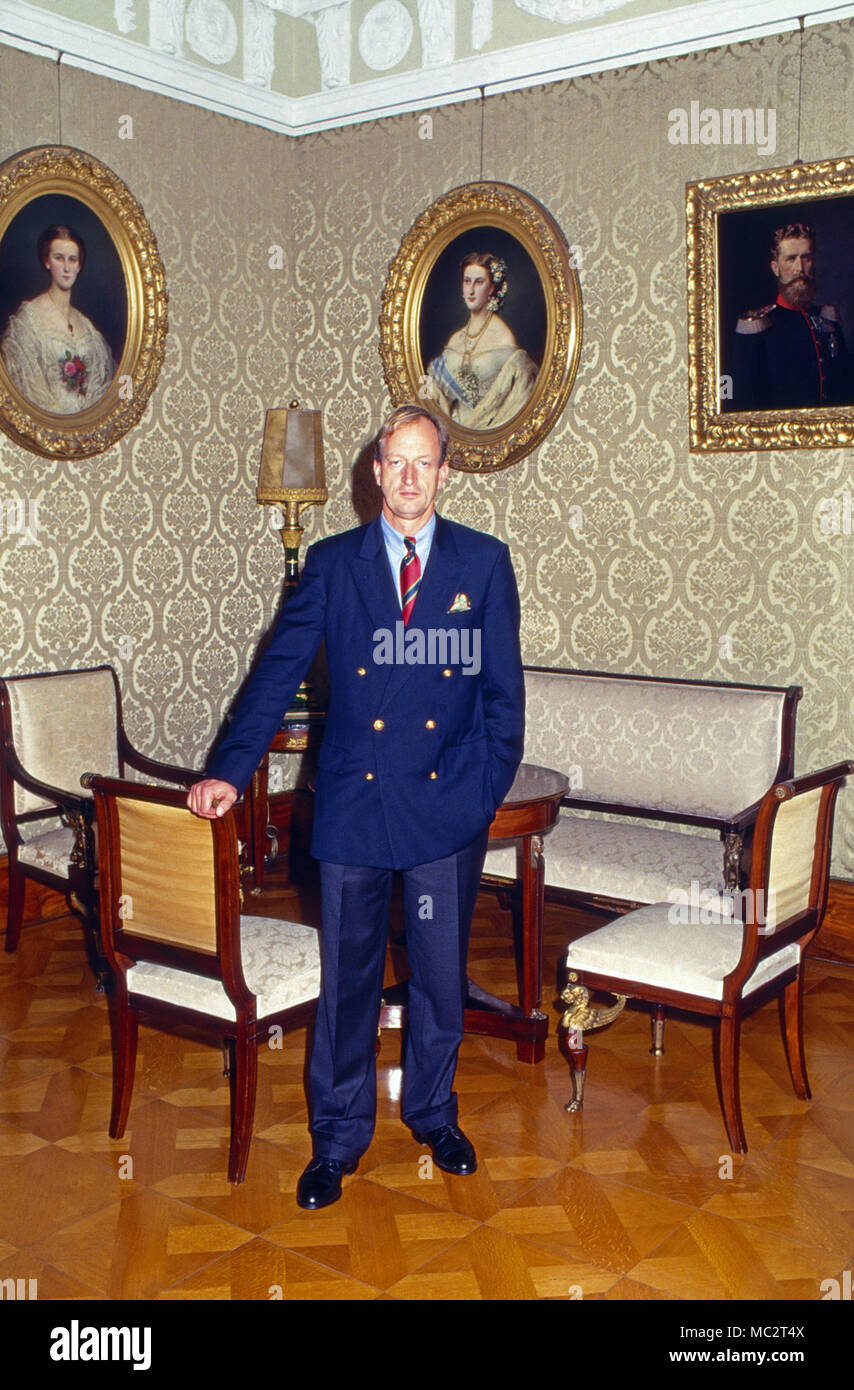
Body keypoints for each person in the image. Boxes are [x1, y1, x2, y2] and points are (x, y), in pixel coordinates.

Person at [189, 403, 525, 1209]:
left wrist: (479, 797)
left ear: (445, 473)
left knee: (441, 979)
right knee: (348, 983)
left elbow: (503, 698)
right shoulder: (334, 565)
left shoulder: (482, 564)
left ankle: (435, 1114)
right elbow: (277, 672)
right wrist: (231, 769)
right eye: (394, 462)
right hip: (352, 805)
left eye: (423, 463)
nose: (408, 477)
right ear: (374, 473)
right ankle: (336, 1139)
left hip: (445, 811)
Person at [724, 222, 851, 411]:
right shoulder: (756, 327)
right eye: (791, 259)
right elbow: (742, 403)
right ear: (776, 268)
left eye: (806, 258)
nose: (800, 268)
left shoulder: (828, 320)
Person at [0, 223, 115, 414]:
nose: (67, 268)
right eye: (59, 258)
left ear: (79, 265)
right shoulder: (28, 320)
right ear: (47, 261)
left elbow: (104, 383)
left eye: (73, 260)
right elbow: (27, 387)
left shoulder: (87, 326)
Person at [424, 252, 538, 429]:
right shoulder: (456, 338)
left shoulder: (503, 337)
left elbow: (515, 397)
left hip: (488, 434)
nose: (470, 290)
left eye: (479, 282)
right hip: (452, 435)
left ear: (491, 287)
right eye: (467, 281)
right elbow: (434, 389)